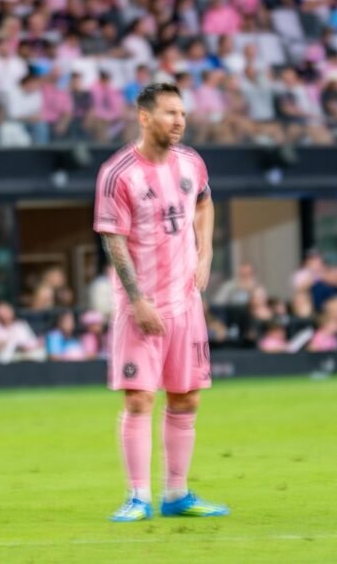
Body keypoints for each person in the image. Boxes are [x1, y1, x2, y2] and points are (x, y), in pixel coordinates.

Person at [94, 83, 228, 521]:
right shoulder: (118, 173)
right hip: (141, 307)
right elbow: (113, 240)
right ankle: (138, 497)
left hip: (186, 302)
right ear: (144, 117)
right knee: (139, 400)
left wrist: (205, 253)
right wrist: (137, 300)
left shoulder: (191, 162)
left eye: (183, 113)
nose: (179, 121)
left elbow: (205, 203)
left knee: (186, 399)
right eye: (170, 113)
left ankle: (176, 494)